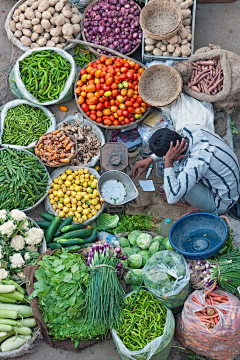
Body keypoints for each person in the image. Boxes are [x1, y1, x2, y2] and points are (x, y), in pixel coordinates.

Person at [133, 124, 240, 216]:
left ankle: (197, 207)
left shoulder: (197, 161)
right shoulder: (189, 130)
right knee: (175, 172)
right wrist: (150, 159)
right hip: (227, 180)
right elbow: (173, 150)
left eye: (167, 156)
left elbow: (172, 198)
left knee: (172, 185)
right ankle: (195, 201)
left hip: (221, 202)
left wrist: (168, 162)